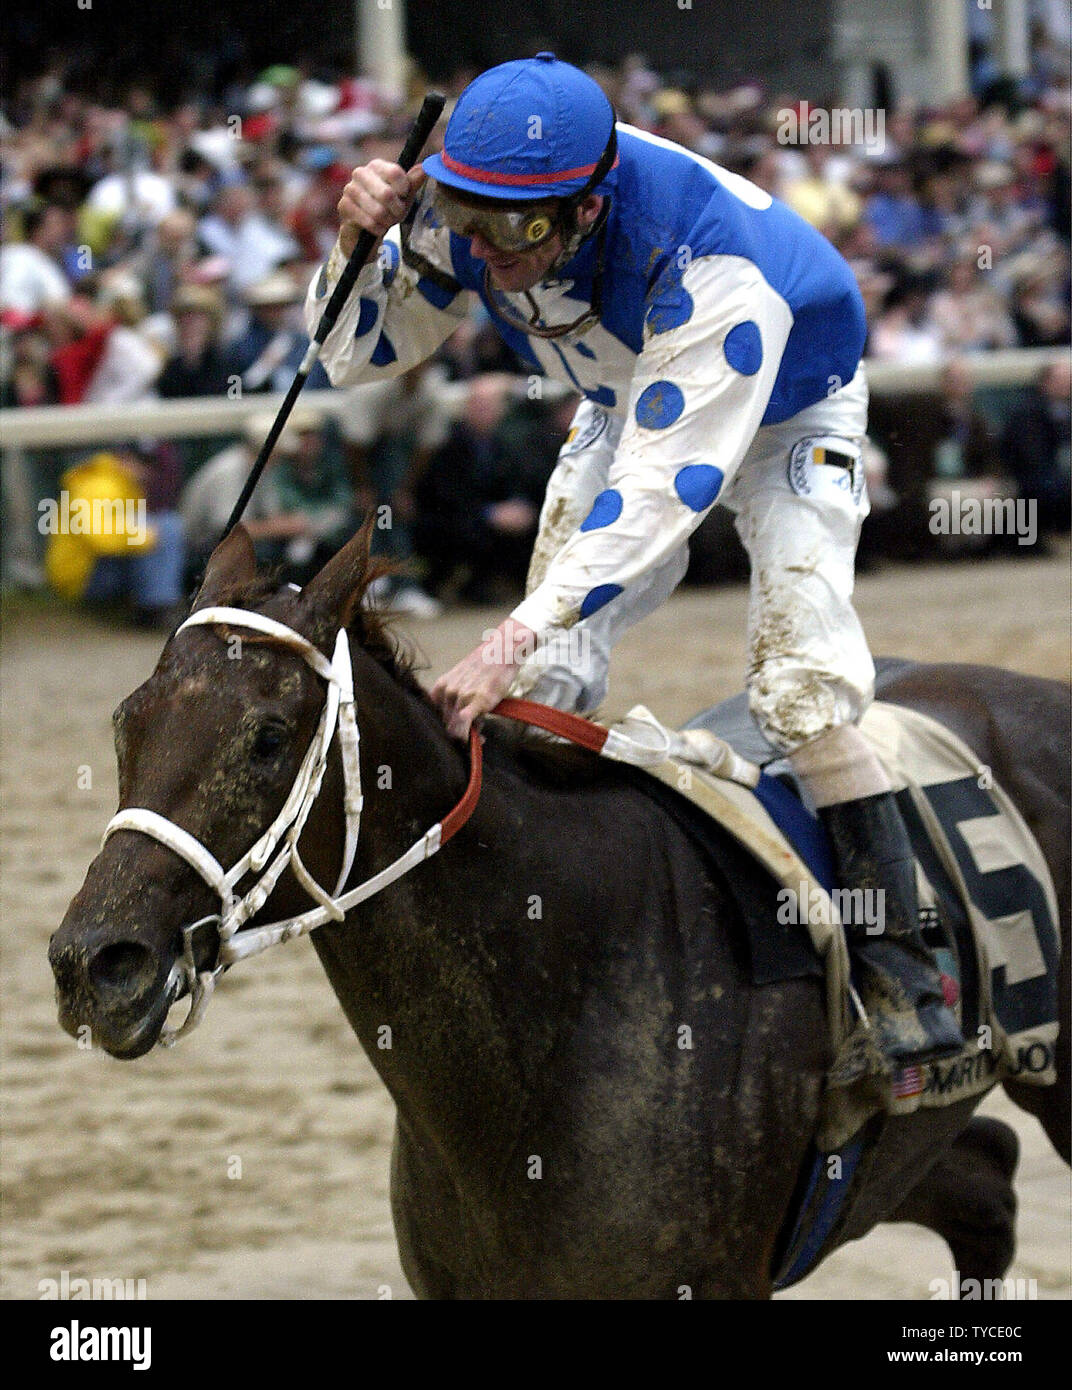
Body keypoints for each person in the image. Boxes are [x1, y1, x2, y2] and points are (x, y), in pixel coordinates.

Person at [305, 53, 961, 1067]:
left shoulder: (711, 271)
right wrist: (356, 242)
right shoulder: (469, 202)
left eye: (520, 228)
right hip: (626, 397)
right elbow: (350, 355)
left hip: (785, 411)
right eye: (469, 219)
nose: (490, 252)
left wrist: (509, 625)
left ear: (591, 207)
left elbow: (664, 494)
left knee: (797, 684)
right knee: (541, 674)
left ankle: (903, 962)